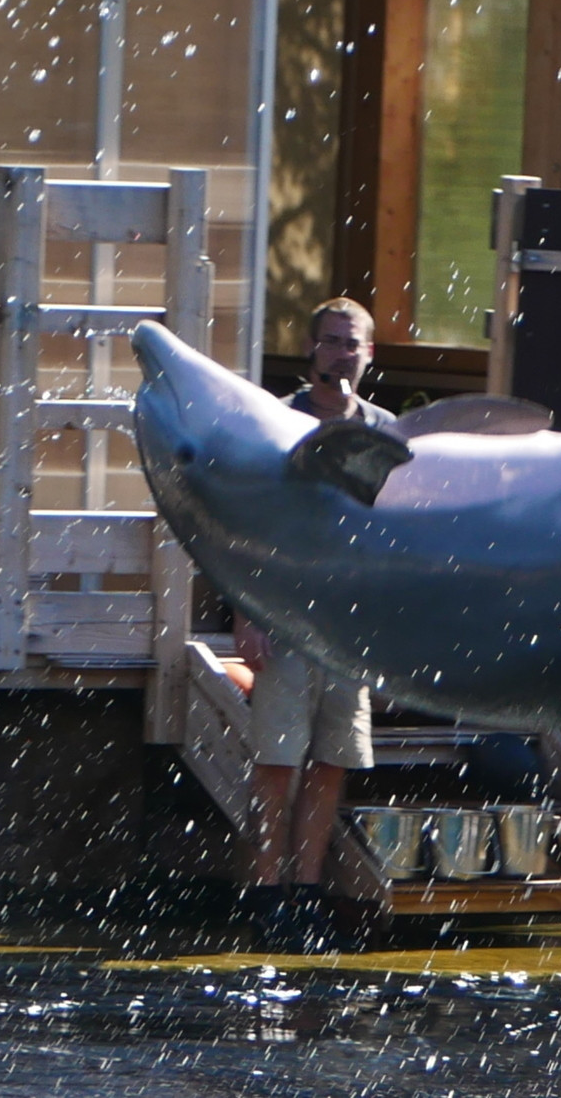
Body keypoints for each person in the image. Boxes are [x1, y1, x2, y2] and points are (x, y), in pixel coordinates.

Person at [235, 297, 391, 952]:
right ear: (311, 351)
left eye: (350, 344)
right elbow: (246, 526)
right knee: (278, 761)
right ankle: (266, 891)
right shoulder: (279, 420)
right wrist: (246, 614)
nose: (339, 355)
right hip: (283, 616)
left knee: (333, 760)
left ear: (368, 354)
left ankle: (309, 889)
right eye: (329, 343)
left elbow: (395, 534)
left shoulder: (385, 430)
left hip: (349, 628)